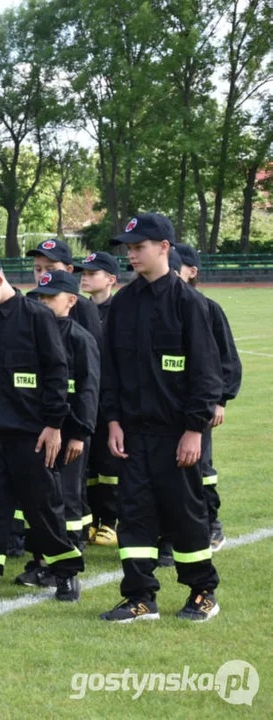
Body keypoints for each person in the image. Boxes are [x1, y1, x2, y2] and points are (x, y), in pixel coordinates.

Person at [99, 213, 223, 623]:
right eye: (129, 249)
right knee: (133, 515)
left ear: (164, 247)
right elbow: (111, 371)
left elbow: (206, 374)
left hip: (178, 434)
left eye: (139, 247)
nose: (131, 255)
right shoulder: (123, 305)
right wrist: (114, 421)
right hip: (133, 434)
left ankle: (203, 592)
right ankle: (140, 597)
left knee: (185, 514)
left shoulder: (190, 304)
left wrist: (193, 430)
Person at [0, 250, 83, 604]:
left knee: (43, 506)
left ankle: (65, 572)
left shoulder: (38, 317)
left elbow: (58, 373)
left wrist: (54, 425)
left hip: (32, 434)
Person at [20, 271, 99, 588]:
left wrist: (79, 433)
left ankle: (68, 557)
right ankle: (42, 559)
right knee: (40, 497)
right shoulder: (33, 335)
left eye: (50, 297)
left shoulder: (81, 339)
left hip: (69, 434)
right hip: (39, 431)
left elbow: (89, 391)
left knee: (66, 497)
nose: (42, 302)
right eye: (39, 296)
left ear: (71, 300)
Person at [174, 243, 241, 552]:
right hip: (165, 407)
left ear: (192, 272)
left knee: (201, 468)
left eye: (179, 267)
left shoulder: (207, 307)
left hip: (198, 405)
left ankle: (212, 524)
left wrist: (219, 401)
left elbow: (225, 360)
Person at [74, 250, 122, 546]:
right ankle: (89, 518)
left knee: (110, 464)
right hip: (86, 396)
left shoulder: (120, 311)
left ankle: (112, 521)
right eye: (84, 273)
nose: (85, 277)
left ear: (111, 280)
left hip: (110, 398)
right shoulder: (77, 307)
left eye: (93, 273)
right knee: (88, 463)